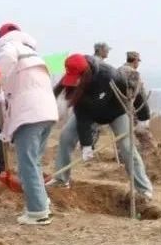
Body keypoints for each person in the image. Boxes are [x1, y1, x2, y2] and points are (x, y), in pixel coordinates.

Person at [51, 53, 154, 200]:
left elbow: (134, 92)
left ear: (86, 73)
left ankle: (144, 190)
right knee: (66, 136)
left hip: (116, 113)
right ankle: (61, 180)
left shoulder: (110, 75)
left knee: (127, 147)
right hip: (90, 113)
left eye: (78, 78)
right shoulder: (76, 87)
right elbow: (82, 116)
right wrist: (86, 145)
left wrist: (144, 118)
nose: (75, 82)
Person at [0, 23, 59, 225]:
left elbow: (5, 62)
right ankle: (43, 202)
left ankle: (37, 212)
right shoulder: (34, 54)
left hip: (30, 113)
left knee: (27, 163)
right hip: (48, 112)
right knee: (34, 161)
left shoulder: (10, 47)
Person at [118, 51, 155, 151]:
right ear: (135, 61)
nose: (138, 64)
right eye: (138, 61)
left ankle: (124, 154)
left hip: (122, 109)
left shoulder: (118, 71)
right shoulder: (133, 73)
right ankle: (150, 155)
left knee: (123, 134)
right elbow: (134, 95)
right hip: (136, 110)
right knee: (143, 135)